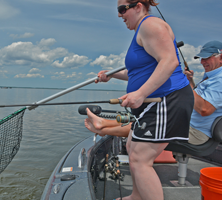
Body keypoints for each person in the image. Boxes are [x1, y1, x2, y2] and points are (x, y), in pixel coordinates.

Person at [89, 0, 194, 200]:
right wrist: (112, 75)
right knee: (131, 147)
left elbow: (169, 61)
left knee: (140, 158)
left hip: (166, 100)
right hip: (153, 101)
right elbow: (140, 72)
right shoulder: (142, 30)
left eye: (122, 9)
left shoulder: (150, 25)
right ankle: (137, 196)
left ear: (138, 6)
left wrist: (140, 93)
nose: (120, 15)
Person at [85, 40, 222, 146]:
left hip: (195, 132)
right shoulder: (212, 76)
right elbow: (148, 76)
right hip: (187, 122)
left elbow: (205, 109)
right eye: (201, 58)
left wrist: (179, 79)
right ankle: (102, 123)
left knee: (150, 122)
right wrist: (113, 74)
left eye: (207, 58)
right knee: (149, 116)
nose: (202, 62)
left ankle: (102, 129)